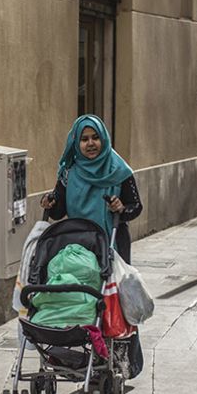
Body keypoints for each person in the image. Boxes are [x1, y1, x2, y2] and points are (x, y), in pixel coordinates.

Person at [41, 114, 144, 377]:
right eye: (84, 139)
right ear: (76, 142)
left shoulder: (119, 170)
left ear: (104, 139)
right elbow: (59, 210)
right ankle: (82, 354)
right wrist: (50, 204)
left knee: (115, 300)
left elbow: (135, 206)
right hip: (76, 246)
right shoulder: (69, 172)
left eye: (95, 138)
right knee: (80, 298)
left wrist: (122, 207)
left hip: (112, 243)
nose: (90, 144)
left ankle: (121, 360)